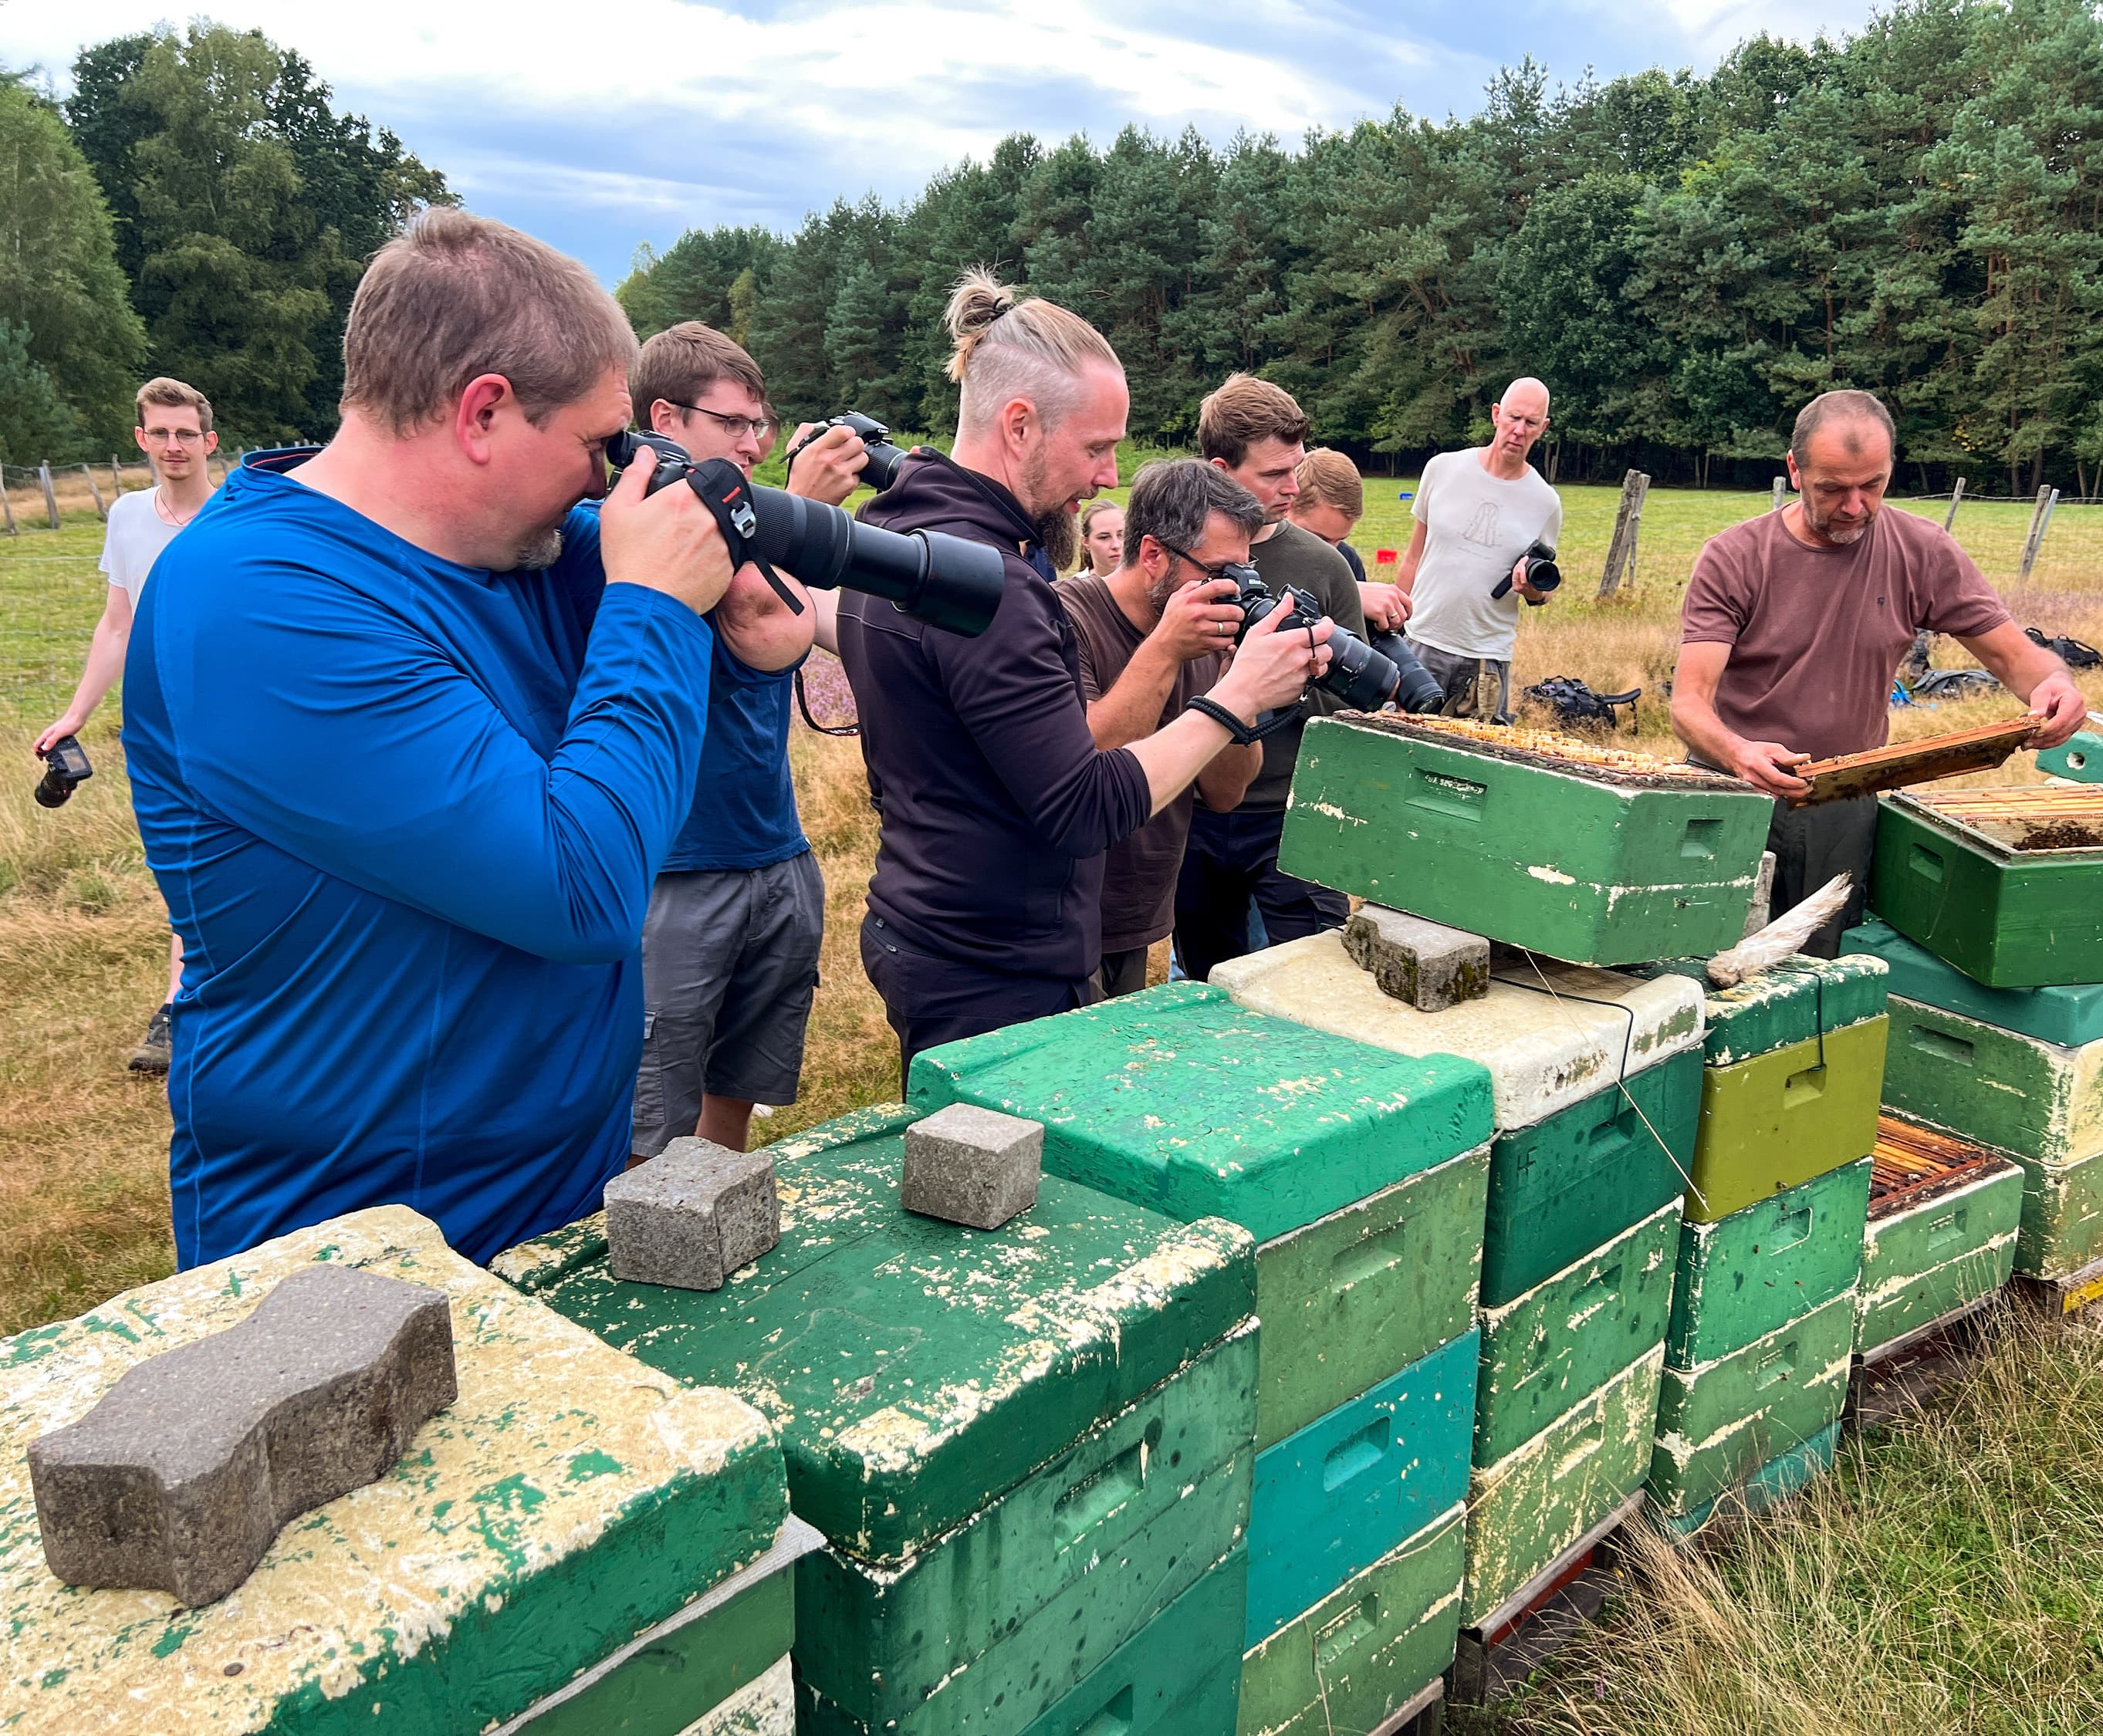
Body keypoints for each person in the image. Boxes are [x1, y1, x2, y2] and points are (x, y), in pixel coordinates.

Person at [122, 210, 762, 1267]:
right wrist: (655, 609)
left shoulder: (520, 545)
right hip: (353, 1246)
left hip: (562, 1196)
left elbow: (654, 699)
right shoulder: (255, 603)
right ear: (483, 413)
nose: (610, 476)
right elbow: (583, 885)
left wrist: (750, 632)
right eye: (598, 445)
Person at [838, 272, 1332, 1072]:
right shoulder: (987, 585)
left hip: (928, 924)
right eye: (1097, 447)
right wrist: (1237, 694)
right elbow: (1081, 805)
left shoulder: (899, 532)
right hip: (996, 965)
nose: (1109, 478)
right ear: (1021, 425)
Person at [1671, 388, 2087, 954]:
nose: (1855, 507)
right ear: (1795, 470)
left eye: (1873, 485)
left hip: (1845, 798)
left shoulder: (1923, 551)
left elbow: (2015, 657)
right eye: (1833, 489)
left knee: (1818, 973)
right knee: (1704, 960)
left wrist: (2053, 683)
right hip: (1731, 794)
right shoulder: (1734, 557)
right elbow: (1689, 705)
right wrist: (1740, 751)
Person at [622, 322, 869, 1164]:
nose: (755, 443)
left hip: (773, 844)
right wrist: (804, 510)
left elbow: (812, 627)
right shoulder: (628, 528)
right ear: (664, 417)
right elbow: (763, 619)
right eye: (733, 424)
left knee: (737, 1090)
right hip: (676, 867)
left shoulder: (752, 519)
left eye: (763, 424)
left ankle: (718, 1225)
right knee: (652, 1115)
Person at [36, 377, 218, 1074]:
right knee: (183, 864)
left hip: (237, 718)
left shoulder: (236, 515)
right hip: (160, 721)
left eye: (186, 433)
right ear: (141, 439)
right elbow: (119, 622)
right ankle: (181, 1004)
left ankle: (205, 1002)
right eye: (160, 433)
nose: (174, 446)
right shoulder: (128, 517)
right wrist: (76, 713)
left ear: (210, 440)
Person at [1172, 375, 1369, 981]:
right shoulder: (1176, 559)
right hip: (1192, 814)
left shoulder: (1322, 564)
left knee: (1316, 983)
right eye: (1274, 476)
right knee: (1205, 985)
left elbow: (1351, 706)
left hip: (1293, 815)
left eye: (1299, 469)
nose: (1294, 489)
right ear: (1220, 470)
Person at [1057, 461, 1266, 998]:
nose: (1232, 589)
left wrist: (1240, 686)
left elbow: (1225, 792)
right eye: (1220, 569)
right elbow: (1086, 764)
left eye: (1243, 571)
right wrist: (1166, 648)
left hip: (1138, 913)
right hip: (1053, 919)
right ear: (1153, 555)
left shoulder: (1206, 629)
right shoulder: (1064, 615)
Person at [1398, 377, 1560, 723]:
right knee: (1399, 749)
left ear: (1542, 428)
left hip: (1487, 658)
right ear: (1496, 415)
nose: (1519, 430)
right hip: (1422, 640)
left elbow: (1543, 592)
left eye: (1530, 423)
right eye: (1514, 418)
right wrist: (1395, 629)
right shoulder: (1442, 469)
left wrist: (1532, 590)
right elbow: (1413, 556)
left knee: (1473, 766)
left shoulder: (1545, 502)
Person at [1289, 447, 1408, 633]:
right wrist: (1348, 595)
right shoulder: (1254, 554)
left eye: (1339, 540)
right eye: (1319, 539)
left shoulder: (1347, 559)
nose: (1331, 553)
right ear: (1287, 506)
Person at [1076, 498, 1126, 579]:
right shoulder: (1074, 589)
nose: (1116, 545)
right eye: (1104, 537)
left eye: (1121, 535)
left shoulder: (1148, 584)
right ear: (1085, 542)